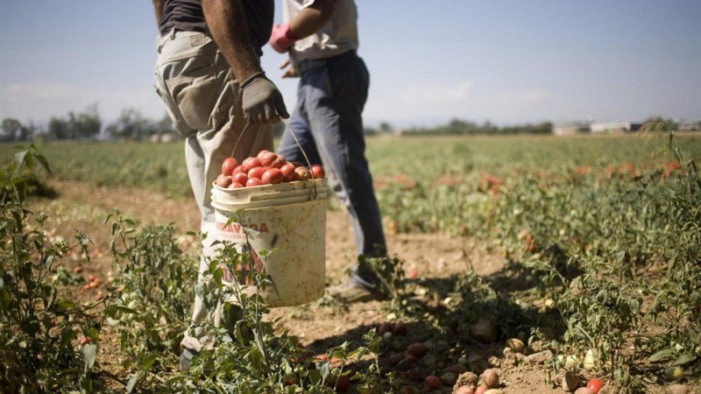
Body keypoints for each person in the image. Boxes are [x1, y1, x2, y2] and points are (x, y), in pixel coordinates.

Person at [151, 0, 289, 371]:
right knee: (238, 216)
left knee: (217, 214)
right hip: (215, 53)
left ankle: (229, 336)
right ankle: (207, 350)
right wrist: (250, 75)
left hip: (178, 55)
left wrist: (173, 38)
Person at [268, 0, 388, 303]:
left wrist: (283, 36)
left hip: (332, 72)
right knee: (287, 171)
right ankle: (287, 270)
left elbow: (321, 8)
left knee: (348, 179)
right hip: (315, 74)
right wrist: (303, 57)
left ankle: (373, 276)